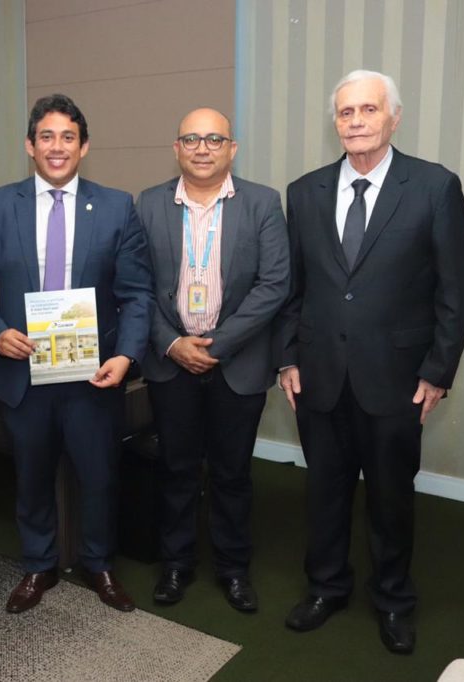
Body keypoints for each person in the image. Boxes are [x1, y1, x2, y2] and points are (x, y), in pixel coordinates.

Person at [277, 70, 464, 654]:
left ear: (394, 118)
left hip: (398, 380)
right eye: (345, 112)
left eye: (367, 110)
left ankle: (392, 599)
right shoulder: (304, 191)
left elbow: (453, 291)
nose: (355, 121)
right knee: (325, 492)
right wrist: (287, 359)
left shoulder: (434, 187)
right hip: (319, 376)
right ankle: (327, 586)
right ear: (335, 122)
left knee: (391, 498)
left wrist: (438, 370)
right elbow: (295, 288)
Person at [0, 93, 154, 614]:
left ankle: (100, 563)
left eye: (68, 136)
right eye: (47, 136)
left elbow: (137, 294)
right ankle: (38, 564)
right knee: (32, 476)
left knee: (99, 477)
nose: (57, 146)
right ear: (30, 145)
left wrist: (128, 356)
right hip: (23, 371)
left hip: (93, 374)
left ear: (84, 146)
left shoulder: (116, 206)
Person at [137, 108, 289, 611]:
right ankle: (176, 565)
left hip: (237, 364)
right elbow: (136, 287)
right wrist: (173, 344)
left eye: (214, 139)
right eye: (191, 139)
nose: (203, 148)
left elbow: (274, 287)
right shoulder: (149, 203)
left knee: (231, 473)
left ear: (232, 148)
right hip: (170, 361)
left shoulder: (263, 203)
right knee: (176, 469)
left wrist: (217, 346)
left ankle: (233, 569)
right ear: (176, 148)